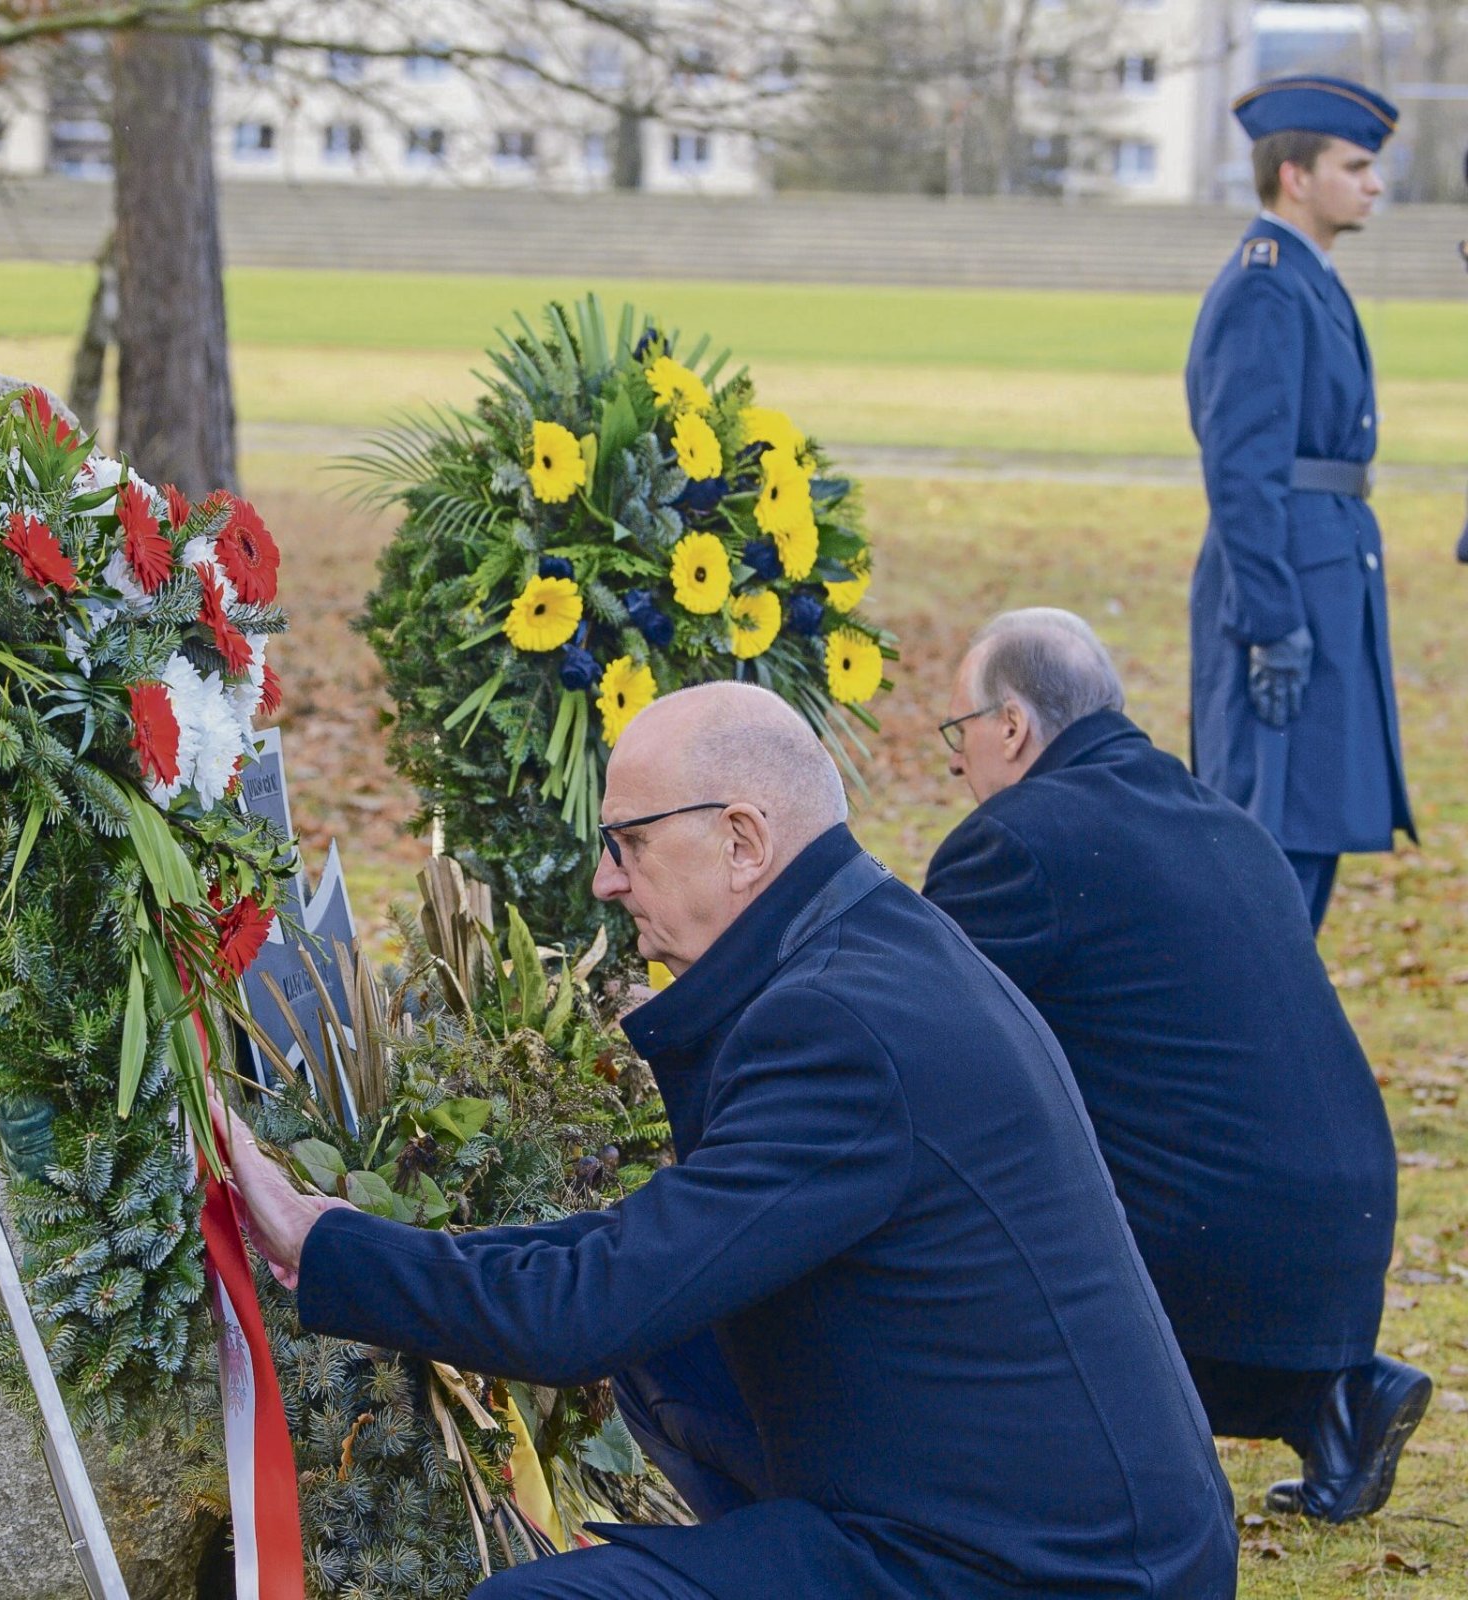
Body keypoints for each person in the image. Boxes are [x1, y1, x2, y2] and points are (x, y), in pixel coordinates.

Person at [221, 683, 1237, 1600]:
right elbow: (643, 1255)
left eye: (629, 843)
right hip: (1019, 1521)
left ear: (744, 841)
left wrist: (321, 1247)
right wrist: (343, 1237)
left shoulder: (839, 1028)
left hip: (1044, 1569)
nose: (607, 882)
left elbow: (593, 1309)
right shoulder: (870, 952)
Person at [924, 609, 1422, 1524]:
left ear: (1011, 726)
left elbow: (919, 1038)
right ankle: (1330, 1403)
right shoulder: (1222, 819)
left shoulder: (1017, 840)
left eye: (959, 730)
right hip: (1335, 1229)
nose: (955, 760)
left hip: (1223, 1237)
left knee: (959, 1169)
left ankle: (1031, 1454)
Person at [1186, 74, 1412, 930]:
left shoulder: (1305, 277)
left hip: (1322, 571)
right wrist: (1273, 620)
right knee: (1267, 846)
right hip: (1285, 591)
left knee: (1306, 838)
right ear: (1296, 176)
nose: (1375, 184)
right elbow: (1243, 473)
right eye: (1356, 166)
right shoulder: (1267, 285)